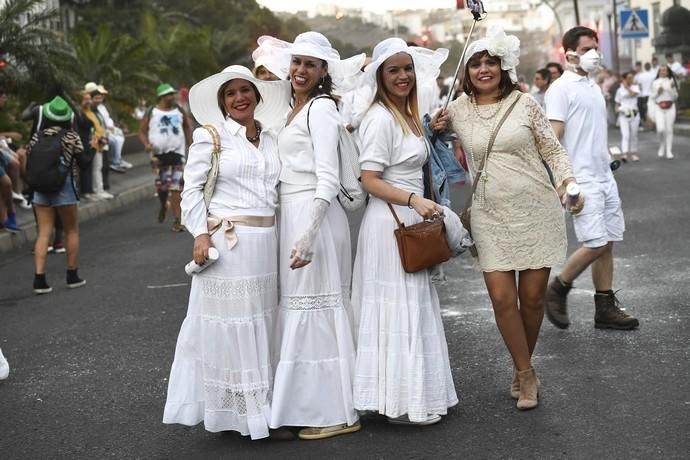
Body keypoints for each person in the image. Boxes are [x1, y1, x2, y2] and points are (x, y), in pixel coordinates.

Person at [447, 26, 580, 410]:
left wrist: (567, 181)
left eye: (491, 62)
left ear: (503, 67)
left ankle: (523, 367)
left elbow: (553, 151)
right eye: (476, 64)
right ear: (467, 72)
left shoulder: (525, 105)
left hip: (536, 208)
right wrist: (435, 128)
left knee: (533, 299)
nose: (483, 69)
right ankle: (526, 372)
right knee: (502, 299)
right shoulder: (455, 111)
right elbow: (428, 142)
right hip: (489, 214)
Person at [163, 65, 291, 440]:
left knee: (262, 324)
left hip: (266, 244)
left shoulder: (271, 138)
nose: (239, 98)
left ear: (257, 95)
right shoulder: (211, 136)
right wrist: (200, 234)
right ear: (222, 101)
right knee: (234, 327)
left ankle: (259, 407)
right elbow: (191, 190)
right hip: (228, 245)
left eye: (245, 90)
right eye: (231, 93)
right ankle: (246, 417)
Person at [259, 31, 364, 440]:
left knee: (319, 312)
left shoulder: (320, 109)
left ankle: (339, 411)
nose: (301, 70)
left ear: (323, 72)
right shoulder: (291, 109)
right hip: (296, 216)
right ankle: (306, 404)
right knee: (303, 310)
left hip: (314, 218)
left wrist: (308, 234)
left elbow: (327, 176)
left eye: (310, 64)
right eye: (297, 62)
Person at [351, 37, 458, 424]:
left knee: (412, 306)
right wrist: (413, 201)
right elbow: (369, 179)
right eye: (393, 70)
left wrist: (432, 129)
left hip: (412, 218)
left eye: (407, 68)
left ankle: (413, 395)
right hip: (390, 223)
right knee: (396, 310)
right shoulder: (380, 118)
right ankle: (397, 400)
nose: (403, 76)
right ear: (380, 76)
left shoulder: (409, 115)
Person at [544, 26, 639, 331]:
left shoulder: (593, 86)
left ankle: (605, 308)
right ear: (568, 53)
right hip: (579, 179)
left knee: (608, 241)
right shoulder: (560, 89)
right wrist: (562, 183)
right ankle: (558, 287)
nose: (593, 54)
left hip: (604, 176)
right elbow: (552, 140)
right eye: (586, 49)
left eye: (595, 47)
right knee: (595, 242)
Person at [29, 96, 86, 294]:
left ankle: (39, 279)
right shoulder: (71, 136)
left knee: (44, 232)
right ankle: (72, 275)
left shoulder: (37, 136)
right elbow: (84, 163)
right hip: (64, 190)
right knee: (71, 230)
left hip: (40, 190)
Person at [138, 83, 193, 232]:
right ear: (162, 97)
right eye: (170, 94)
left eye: (173, 94)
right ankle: (163, 205)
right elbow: (142, 131)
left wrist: (191, 145)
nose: (173, 97)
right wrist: (146, 144)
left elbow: (188, 127)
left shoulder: (179, 110)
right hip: (158, 155)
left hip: (177, 153)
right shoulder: (152, 112)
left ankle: (177, 220)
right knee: (162, 187)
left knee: (176, 187)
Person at [82, 88, 113, 200]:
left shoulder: (95, 111)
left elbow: (100, 126)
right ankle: (94, 191)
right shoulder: (85, 111)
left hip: (99, 142)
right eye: (95, 98)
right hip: (92, 142)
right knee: (93, 168)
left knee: (98, 167)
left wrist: (103, 137)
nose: (98, 100)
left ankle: (99, 189)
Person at [652, 64, 678, 159]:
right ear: (659, 72)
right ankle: (661, 146)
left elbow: (675, 97)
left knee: (669, 129)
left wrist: (671, 89)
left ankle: (669, 150)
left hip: (670, 107)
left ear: (668, 72)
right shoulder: (655, 82)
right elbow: (652, 96)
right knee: (660, 129)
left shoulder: (671, 81)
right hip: (659, 107)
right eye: (661, 70)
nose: (663, 71)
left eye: (665, 70)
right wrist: (657, 92)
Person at [614, 71, 641, 162]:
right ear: (624, 79)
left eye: (631, 78)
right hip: (623, 115)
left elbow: (633, 94)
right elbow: (617, 103)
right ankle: (624, 154)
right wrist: (617, 109)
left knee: (634, 134)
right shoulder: (619, 90)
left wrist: (627, 87)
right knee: (625, 135)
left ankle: (634, 153)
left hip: (634, 114)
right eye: (628, 78)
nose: (631, 79)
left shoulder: (636, 87)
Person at [634, 62, 655, 128]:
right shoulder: (653, 75)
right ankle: (651, 124)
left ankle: (648, 125)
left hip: (643, 95)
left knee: (644, 110)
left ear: (644, 67)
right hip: (651, 95)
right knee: (650, 110)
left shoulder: (640, 76)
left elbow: (638, 86)